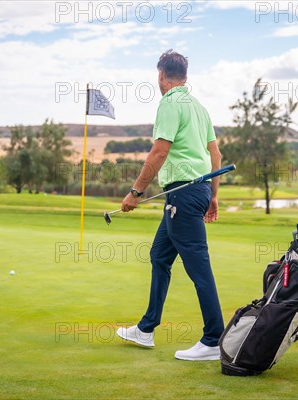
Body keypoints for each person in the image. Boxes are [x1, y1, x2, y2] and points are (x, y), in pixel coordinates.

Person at [115, 50, 225, 361]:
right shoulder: (199, 108)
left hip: (183, 195)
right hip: (197, 190)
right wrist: (213, 195)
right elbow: (215, 157)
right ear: (185, 76)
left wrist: (135, 192)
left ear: (162, 76)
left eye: (159, 76)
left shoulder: (169, 102)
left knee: (198, 265)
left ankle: (214, 339)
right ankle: (146, 329)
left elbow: (159, 152)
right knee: (159, 256)